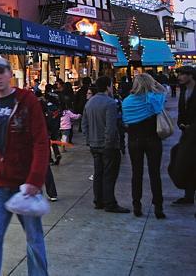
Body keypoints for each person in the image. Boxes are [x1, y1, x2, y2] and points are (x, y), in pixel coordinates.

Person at [0, 58, 49, 276]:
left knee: (34, 238)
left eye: (2, 71)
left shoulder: (26, 100)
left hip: (24, 184)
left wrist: (35, 180)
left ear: (10, 74)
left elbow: (41, 141)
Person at [82, 77, 130, 214]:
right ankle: (110, 202)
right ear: (108, 86)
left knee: (98, 173)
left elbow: (84, 124)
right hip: (107, 145)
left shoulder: (90, 102)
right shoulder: (110, 103)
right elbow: (110, 127)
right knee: (109, 174)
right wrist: (110, 143)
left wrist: (89, 139)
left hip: (94, 144)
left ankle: (99, 200)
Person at [122, 73, 167, 219]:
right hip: (152, 139)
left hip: (134, 139)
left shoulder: (127, 101)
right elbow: (164, 91)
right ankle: (158, 207)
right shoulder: (153, 99)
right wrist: (155, 84)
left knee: (136, 173)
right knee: (155, 174)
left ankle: (137, 205)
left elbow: (126, 121)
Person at [173, 65, 196, 205]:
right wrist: (181, 123)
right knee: (183, 161)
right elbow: (181, 111)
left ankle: (189, 194)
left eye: (181, 74)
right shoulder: (183, 91)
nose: (179, 77)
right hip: (187, 133)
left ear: (190, 75)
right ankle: (188, 194)